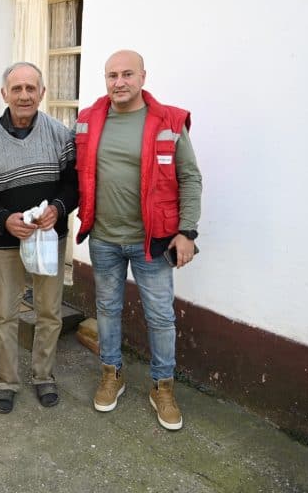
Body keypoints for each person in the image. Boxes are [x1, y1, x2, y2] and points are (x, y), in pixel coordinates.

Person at [74, 50, 202, 430]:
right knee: (108, 310)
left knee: (160, 317)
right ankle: (112, 373)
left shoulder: (168, 121)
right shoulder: (88, 120)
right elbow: (72, 170)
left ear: (143, 76)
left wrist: (187, 231)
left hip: (155, 241)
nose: (119, 82)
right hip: (104, 238)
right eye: (112, 75)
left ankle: (162, 386)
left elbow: (190, 178)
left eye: (127, 74)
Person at [0, 62, 77, 414]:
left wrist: (59, 209)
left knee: (49, 312)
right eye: (16, 89)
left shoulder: (59, 133)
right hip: (6, 242)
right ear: (4, 94)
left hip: (49, 239)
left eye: (31, 88)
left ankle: (43, 376)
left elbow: (73, 184)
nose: (24, 95)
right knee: (4, 314)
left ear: (42, 93)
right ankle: (6, 381)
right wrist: (4, 220)